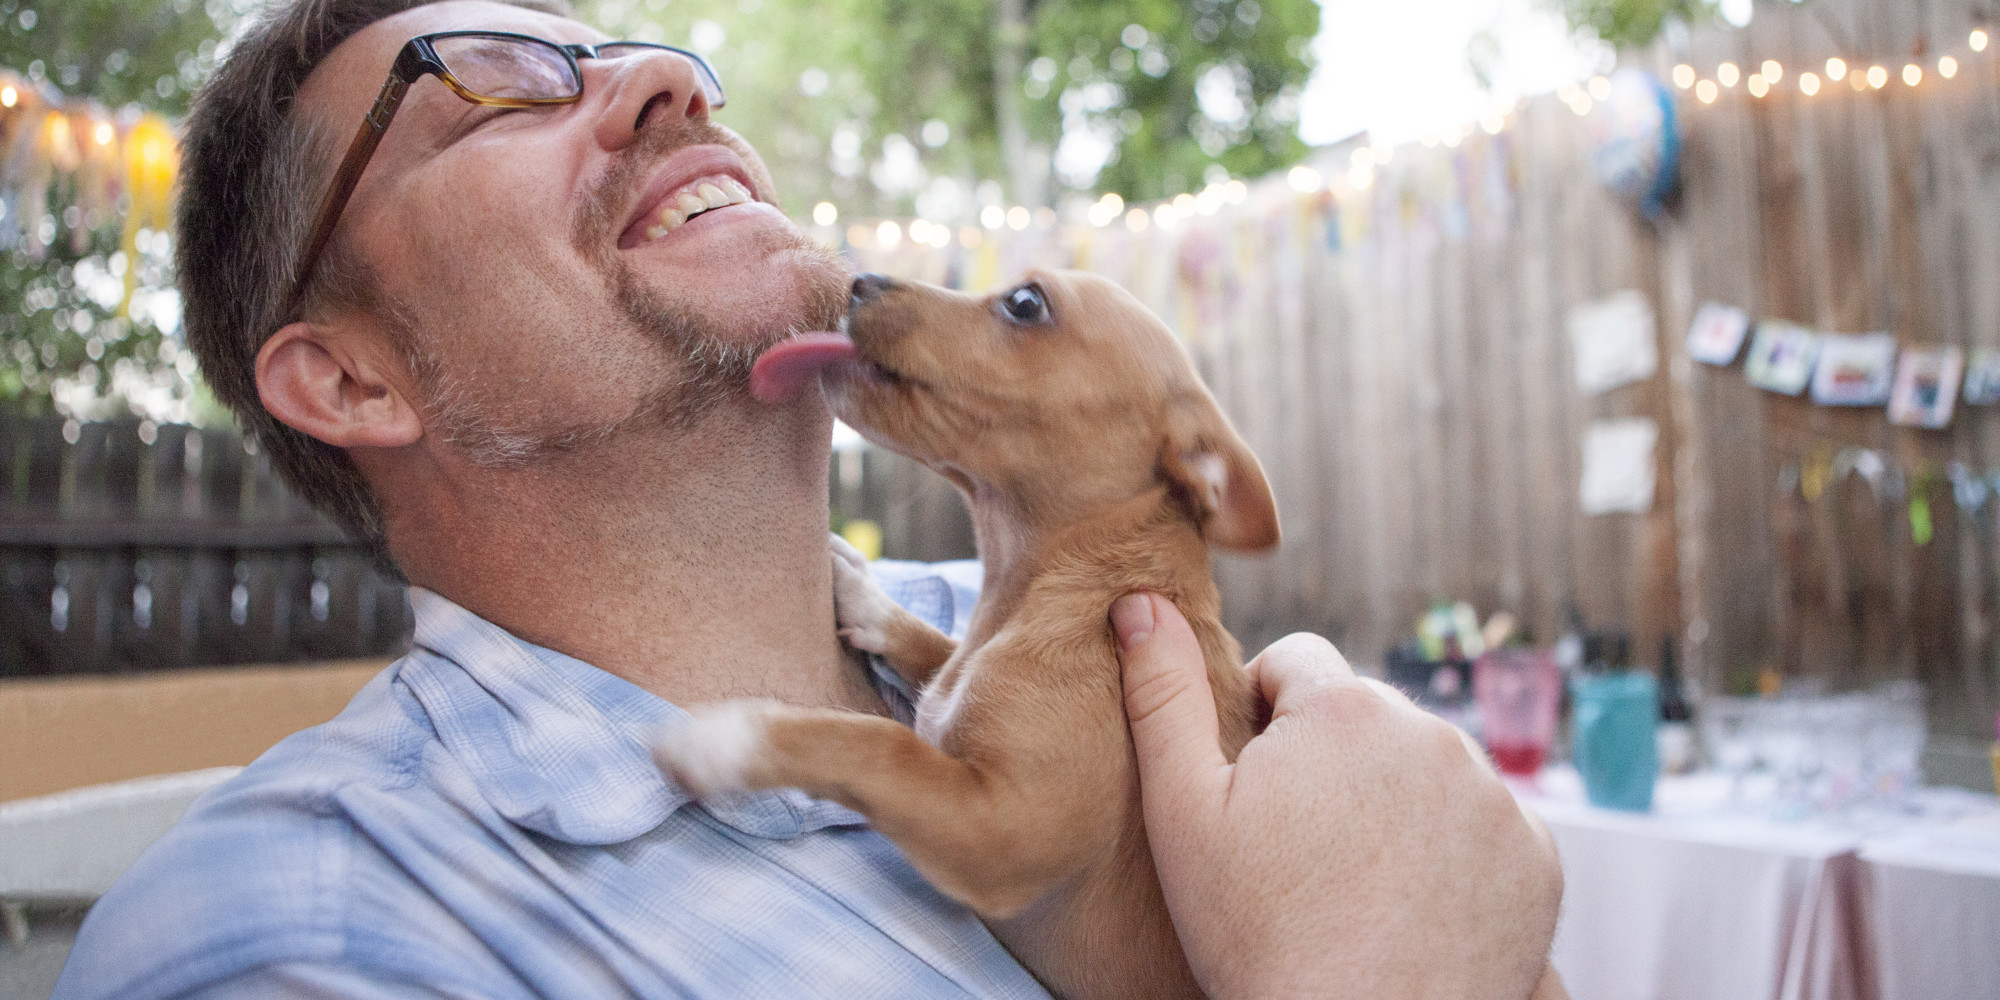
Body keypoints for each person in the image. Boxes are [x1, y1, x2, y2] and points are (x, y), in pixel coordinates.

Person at [51, 1, 1562, 997]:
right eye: (494, 85)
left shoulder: (1061, 634)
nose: (671, 79)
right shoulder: (300, 932)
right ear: (350, 378)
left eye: (640, 53)